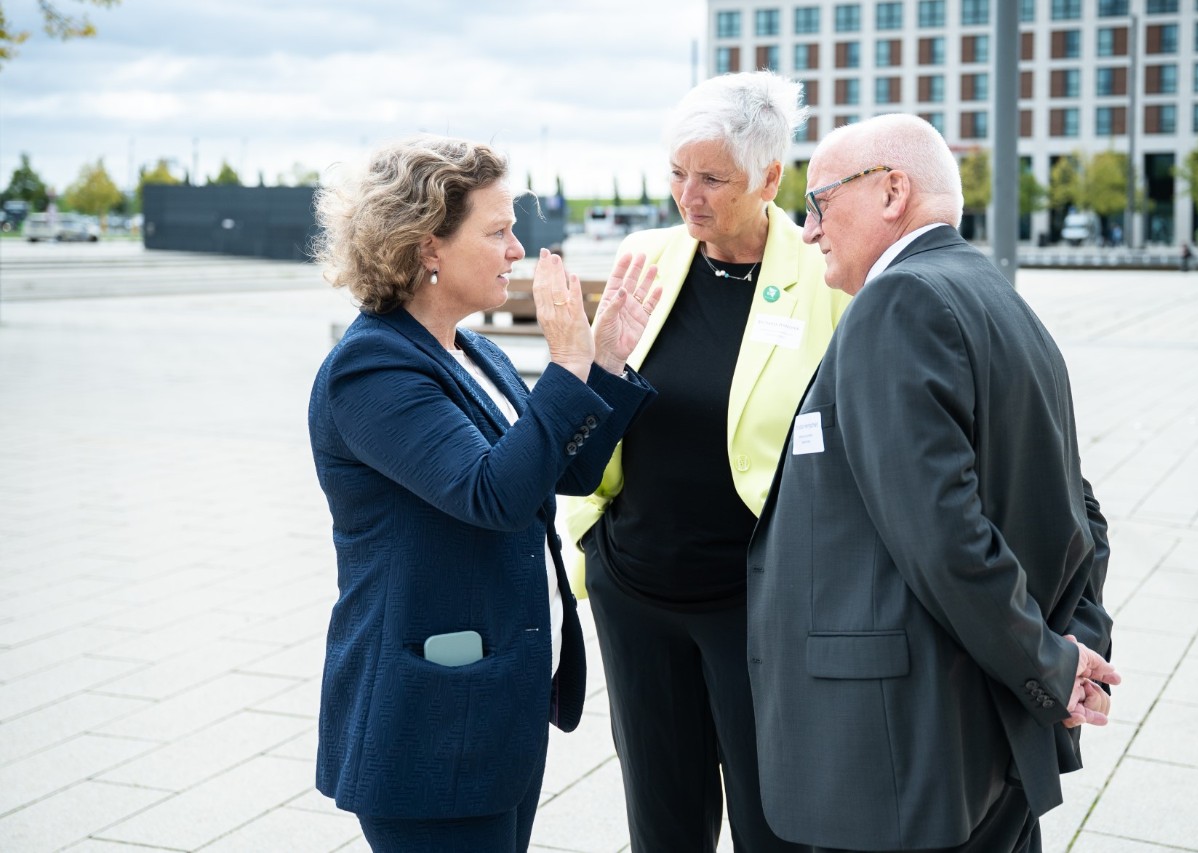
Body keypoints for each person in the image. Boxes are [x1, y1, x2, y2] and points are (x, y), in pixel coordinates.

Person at [746, 113, 1120, 853]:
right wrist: (1075, 644)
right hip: (983, 740)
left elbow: (945, 541)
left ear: (892, 191)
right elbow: (1079, 511)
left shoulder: (898, 303)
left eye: (819, 202)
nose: (809, 229)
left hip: (898, 754)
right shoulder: (1000, 297)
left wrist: (1054, 664)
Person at [307, 135, 660, 852]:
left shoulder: (472, 349)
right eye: (497, 231)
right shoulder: (371, 368)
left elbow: (557, 472)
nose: (516, 250)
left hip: (493, 703)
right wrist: (566, 363)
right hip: (428, 720)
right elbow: (490, 493)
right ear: (428, 245)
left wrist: (606, 360)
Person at [565, 71, 849, 852]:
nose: (689, 195)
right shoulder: (645, 256)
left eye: (713, 177)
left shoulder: (823, 276)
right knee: (662, 823)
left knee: (775, 824)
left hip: (755, 604)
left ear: (769, 178)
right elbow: (595, 408)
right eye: (677, 173)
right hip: (637, 592)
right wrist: (603, 362)